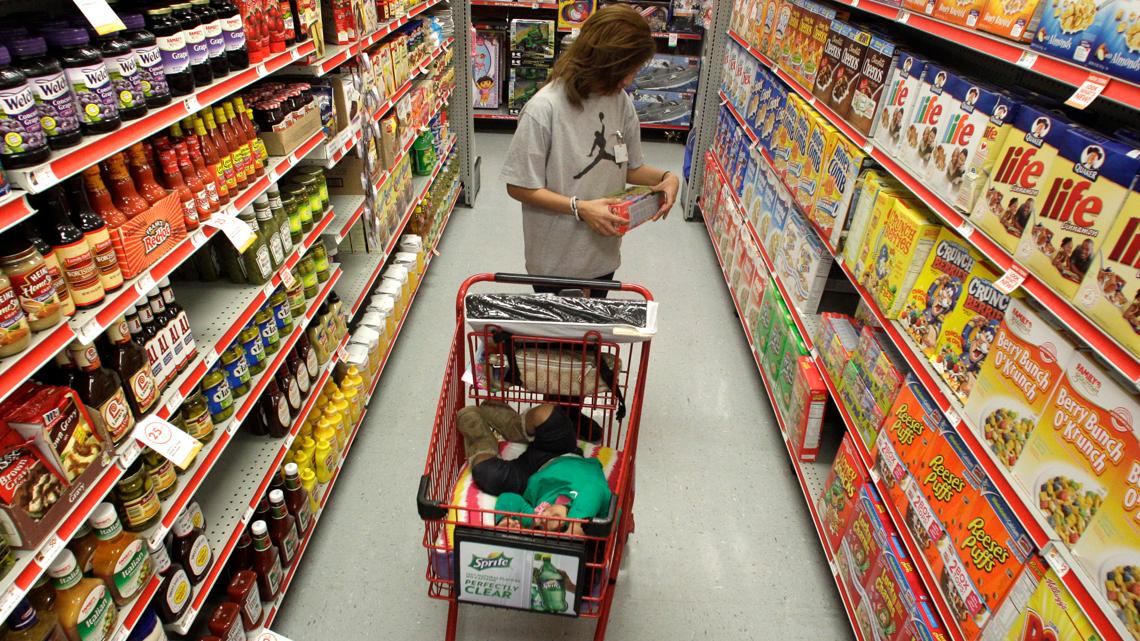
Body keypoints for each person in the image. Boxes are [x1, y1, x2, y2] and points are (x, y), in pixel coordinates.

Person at [500, 5, 683, 296]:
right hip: (555, 262)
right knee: (559, 327)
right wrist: (581, 208)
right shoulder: (544, 109)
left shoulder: (620, 101)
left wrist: (666, 177)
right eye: (624, 71)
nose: (628, 81)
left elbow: (630, 167)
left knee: (594, 323)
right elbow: (519, 185)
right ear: (599, 61)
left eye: (634, 71)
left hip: (602, 253)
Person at [457, 402, 612, 535]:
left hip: (530, 473)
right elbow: (594, 490)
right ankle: (515, 427)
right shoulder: (589, 509)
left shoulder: (536, 517)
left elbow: (508, 498)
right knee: (548, 414)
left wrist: (504, 520)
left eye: (541, 523)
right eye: (555, 517)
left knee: (487, 474)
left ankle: (481, 438)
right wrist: (576, 523)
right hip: (566, 451)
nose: (545, 515)